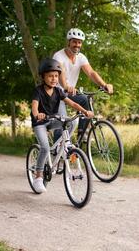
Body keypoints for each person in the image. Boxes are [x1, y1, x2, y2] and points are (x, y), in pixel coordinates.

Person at [31, 58, 94, 193]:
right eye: (50, 76)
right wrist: (38, 114)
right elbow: (34, 107)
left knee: (72, 121)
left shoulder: (58, 91)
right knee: (45, 148)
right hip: (40, 123)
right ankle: (38, 177)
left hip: (53, 120)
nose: (54, 79)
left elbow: (72, 103)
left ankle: (62, 144)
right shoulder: (38, 91)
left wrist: (85, 111)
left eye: (56, 76)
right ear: (43, 77)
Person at [53, 28, 114, 140]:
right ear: (69, 42)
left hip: (70, 92)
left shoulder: (81, 57)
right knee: (62, 121)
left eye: (79, 42)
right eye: (74, 42)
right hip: (56, 93)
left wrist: (104, 85)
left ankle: (82, 134)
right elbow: (60, 72)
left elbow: (91, 72)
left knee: (85, 99)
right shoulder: (59, 56)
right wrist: (66, 86)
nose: (77, 45)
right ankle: (57, 151)